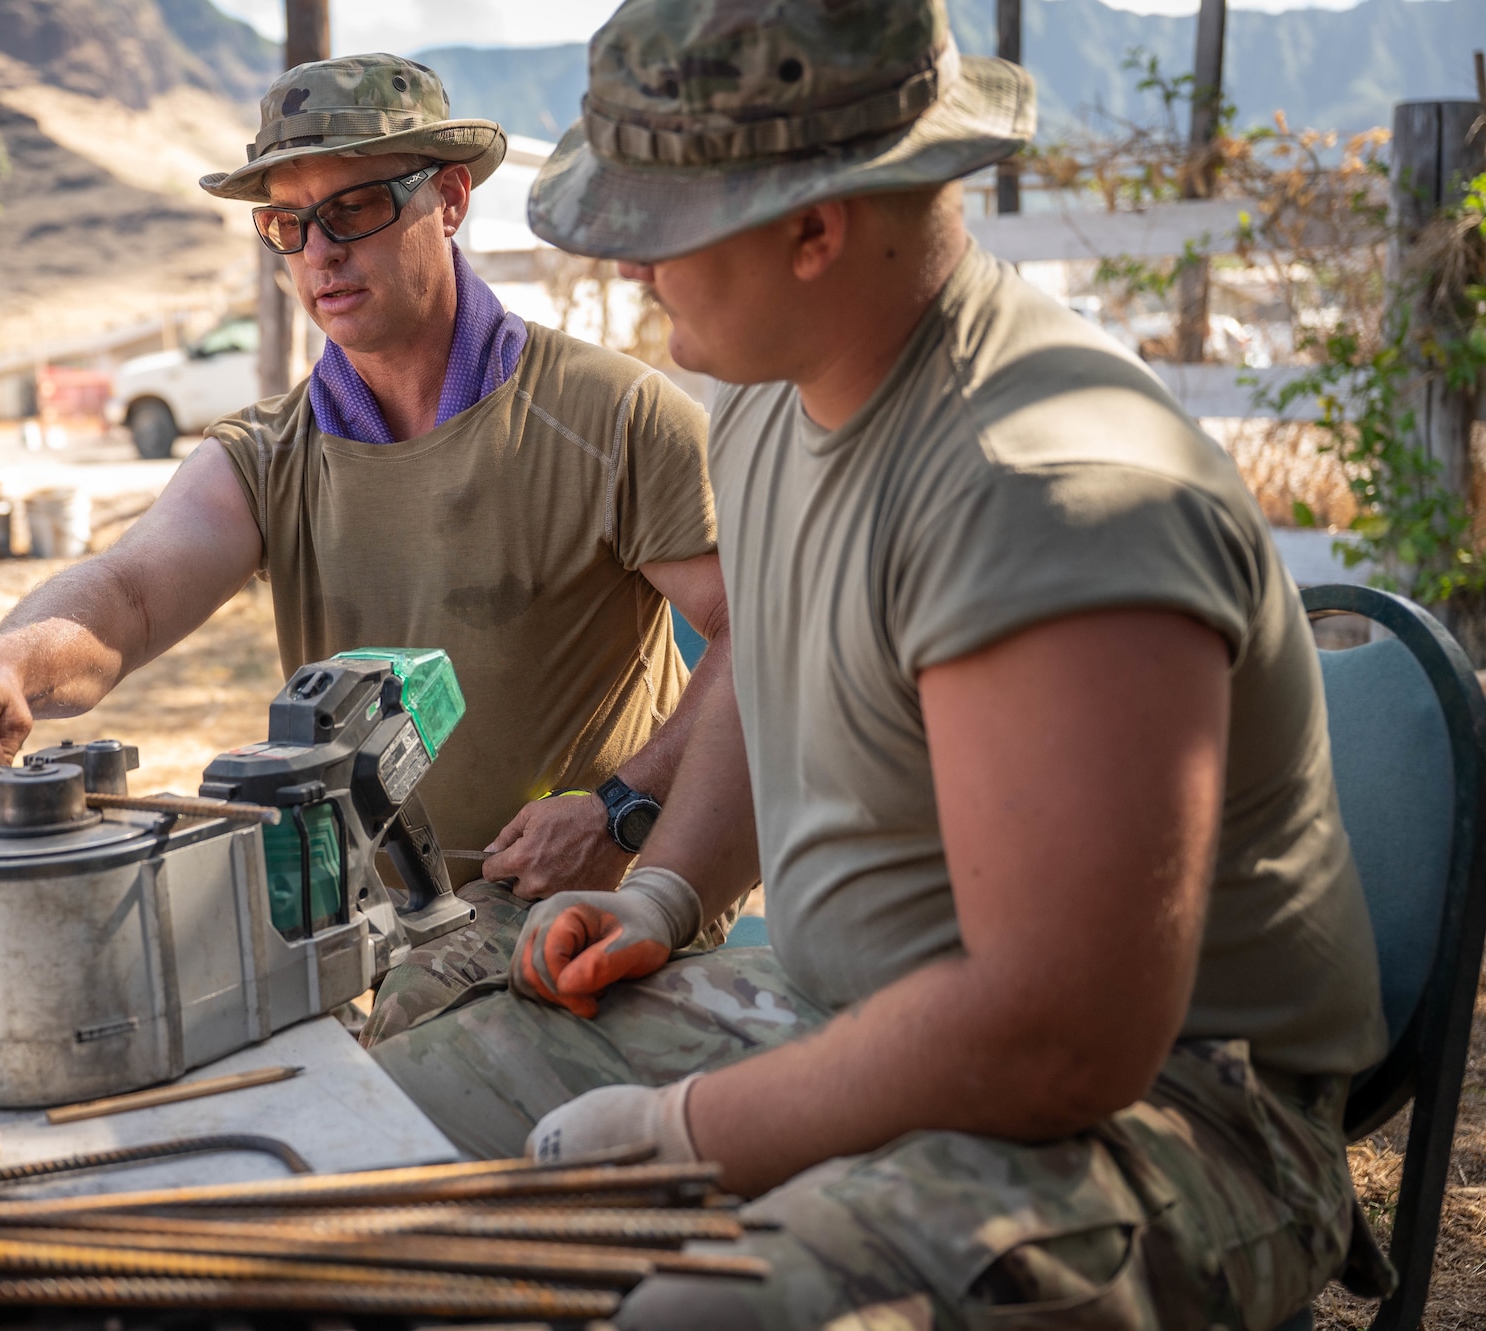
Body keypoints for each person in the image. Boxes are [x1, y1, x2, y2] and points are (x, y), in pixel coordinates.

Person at [369, 3, 1396, 1326]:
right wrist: (669, 892)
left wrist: (695, 1126)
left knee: (711, 1314)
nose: (628, 270)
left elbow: (1059, 1034)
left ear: (815, 224)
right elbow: (771, 647)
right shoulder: (768, 384)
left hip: (1177, 1110)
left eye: (654, 226)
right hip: (854, 999)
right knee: (381, 1126)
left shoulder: (1046, 493)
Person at [0, 53, 738, 1042]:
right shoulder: (271, 455)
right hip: (372, 930)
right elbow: (126, 594)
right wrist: (2, 666)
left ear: (451, 198)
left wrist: (618, 807)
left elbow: (760, 634)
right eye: (287, 225)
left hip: (588, 923)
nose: (319, 255)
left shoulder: (610, 418)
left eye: (353, 211)